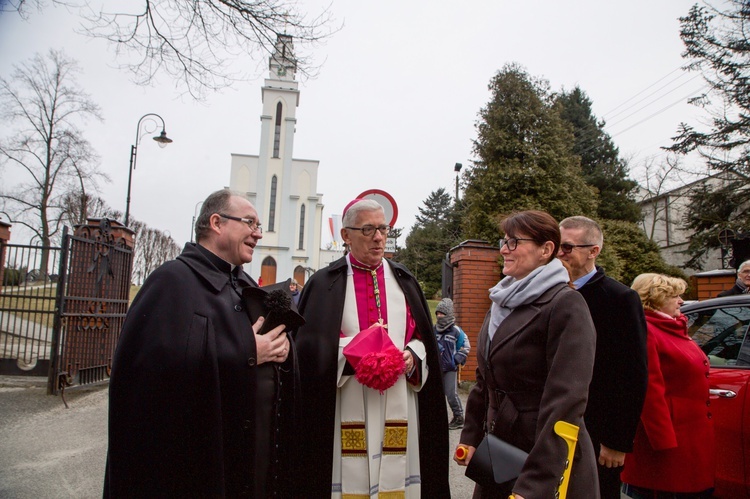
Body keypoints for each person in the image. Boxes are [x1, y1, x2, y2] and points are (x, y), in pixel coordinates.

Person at [104, 189, 296, 498]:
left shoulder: (246, 286)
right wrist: (247, 353)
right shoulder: (172, 282)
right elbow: (148, 376)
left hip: (247, 463)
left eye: (258, 225)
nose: (258, 233)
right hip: (194, 465)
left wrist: (283, 349)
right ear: (217, 223)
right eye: (250, 222)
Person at [293, 198, 450, 498]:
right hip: (346, 398)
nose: (379, 237)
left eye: (383, 228)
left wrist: (412, 357)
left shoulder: (404, 279)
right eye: (368, 229)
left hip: (399, 398)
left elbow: (421, 339)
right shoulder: (324, 283)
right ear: (346, 235)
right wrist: (352, 357)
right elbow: (310, 349)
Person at [455, 210, 599, 499]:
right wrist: (471, 435)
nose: (504, 250)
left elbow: (566, 401)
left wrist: (537, 482)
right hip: (499, 451)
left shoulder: (566, 304)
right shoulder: (500, 301)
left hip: (545, 458)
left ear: (546, 250)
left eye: (514, 242)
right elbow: (485, 380)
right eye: (503, 242)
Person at [558, 216, 648, 499]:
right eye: (556, 245)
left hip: (597, 428)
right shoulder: (548, 293)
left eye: (567, 247)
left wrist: (617, 441)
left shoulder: (619, 298)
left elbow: (632, 373)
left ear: (593, 250)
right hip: (553, 424)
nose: (559, 253)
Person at [621, 274, 715, 498]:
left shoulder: (673, 327)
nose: (681, 301)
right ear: (654, 299)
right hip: (668, 443)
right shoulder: (647, 331)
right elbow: (650, 390)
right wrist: (663, 442)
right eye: (674, 295)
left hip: (690, 437)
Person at [433, 297, 471, 430]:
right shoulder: (434, 330)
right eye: (437, 313)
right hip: (436, 368)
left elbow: (466, 346)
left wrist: (455, 360)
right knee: (435, 395)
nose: (439, 316)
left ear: (448, 314)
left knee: (451, 394)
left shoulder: (457, 331)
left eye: (442, 313)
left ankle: (459, 417)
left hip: (450, 368)